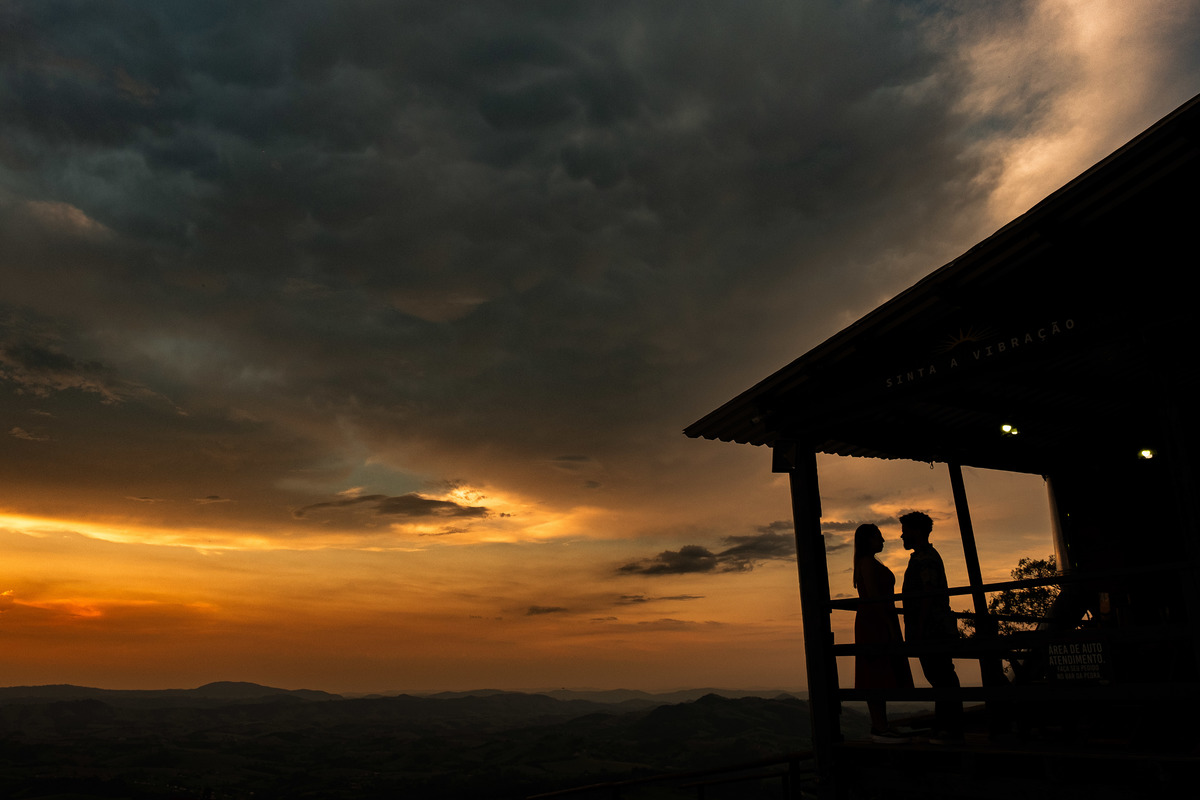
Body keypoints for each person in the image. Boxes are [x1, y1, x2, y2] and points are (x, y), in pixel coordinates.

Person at [899, 511, 964, 744]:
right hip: (932, 627)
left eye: (905, 531)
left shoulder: (925, 558)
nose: (902, 536)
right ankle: (946, 727)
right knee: (941, 676)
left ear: (917, 531)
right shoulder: (923, 556)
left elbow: (928, 593)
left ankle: (950, 729)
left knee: (941, 676)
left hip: (932, 629)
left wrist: (919, 626)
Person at [853, 523, 913, 743]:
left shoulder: (869, 562)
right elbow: (873, 595)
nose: (883, 540)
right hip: (874, 620)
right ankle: (879, 726)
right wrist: (887, 622)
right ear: (868, 540)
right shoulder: (867, 563)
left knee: (880, 668)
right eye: (878, 537)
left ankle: (881, 725)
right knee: (875, 669)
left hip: (878, 617)